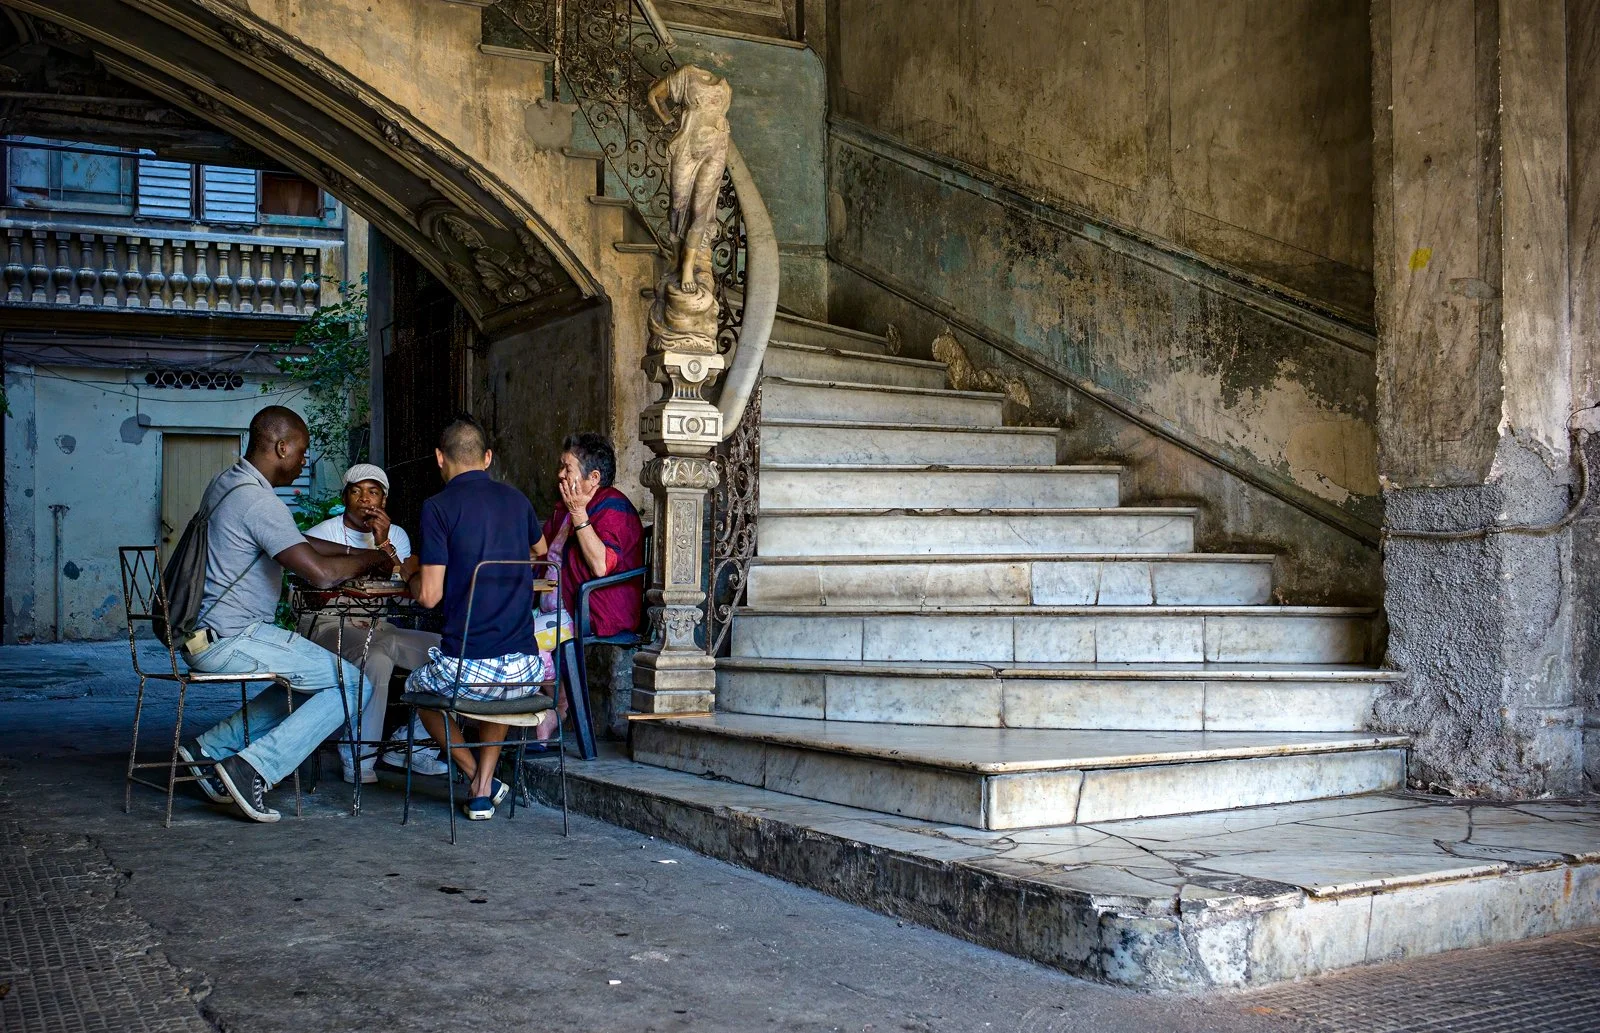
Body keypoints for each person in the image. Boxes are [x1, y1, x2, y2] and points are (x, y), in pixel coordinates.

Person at [174, 406, 391, 823]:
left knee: (313, 682)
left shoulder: (229, 483)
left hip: (204, 632)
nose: (304, 461)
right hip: (231, 638)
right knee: (354, 686)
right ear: (281, 446)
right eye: (302, 451)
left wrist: (362, 553)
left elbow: (298, 541)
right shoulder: (258, 501)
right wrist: (372, 561)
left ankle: (209, 750)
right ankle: (252, 768)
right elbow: (322, 575)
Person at [400, 415, 550, 822]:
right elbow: (541, 551)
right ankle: (483, 787)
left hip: (467, 675)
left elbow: (429, 596)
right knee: (499, 687)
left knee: (415, 688)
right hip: (524, 672)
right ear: (487, 458)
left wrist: (409, 572)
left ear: (439, 459)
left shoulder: (437, 507)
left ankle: (472, 773)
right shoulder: (518, 501)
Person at [301, 463, 447, 783]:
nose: (365, 499)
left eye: (374, 492)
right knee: (377, 659)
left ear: (384, 500)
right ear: (345, 498)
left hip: (379, 625)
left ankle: (411, 746)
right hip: (329, 624)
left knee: (451, 652)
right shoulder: (322, 534)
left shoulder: (396, 536)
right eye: (356, 492)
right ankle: (359, 751)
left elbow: (403, 589)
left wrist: (385, 545)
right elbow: (311, 584)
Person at [535, 432, 645, 743]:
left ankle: (557, 707)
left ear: (593, 477)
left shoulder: (612, 505)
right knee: (503, 629)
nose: (560, 474)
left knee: (518, 639)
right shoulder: (563, 509)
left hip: (594, 611)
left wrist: (580, 516)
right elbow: (541, 553)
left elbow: (600, 566)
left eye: (567, 468)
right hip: (559, 611)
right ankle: (551, 707)